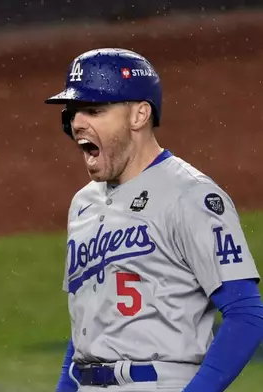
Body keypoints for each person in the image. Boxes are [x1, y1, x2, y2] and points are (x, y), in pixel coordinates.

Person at [44, 48, 263, 392]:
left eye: (94, 110)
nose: (76, 123)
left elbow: (246, 315)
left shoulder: (190, 196)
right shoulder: (83, 204)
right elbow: (88, 326)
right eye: (73, 112)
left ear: (139, 115)